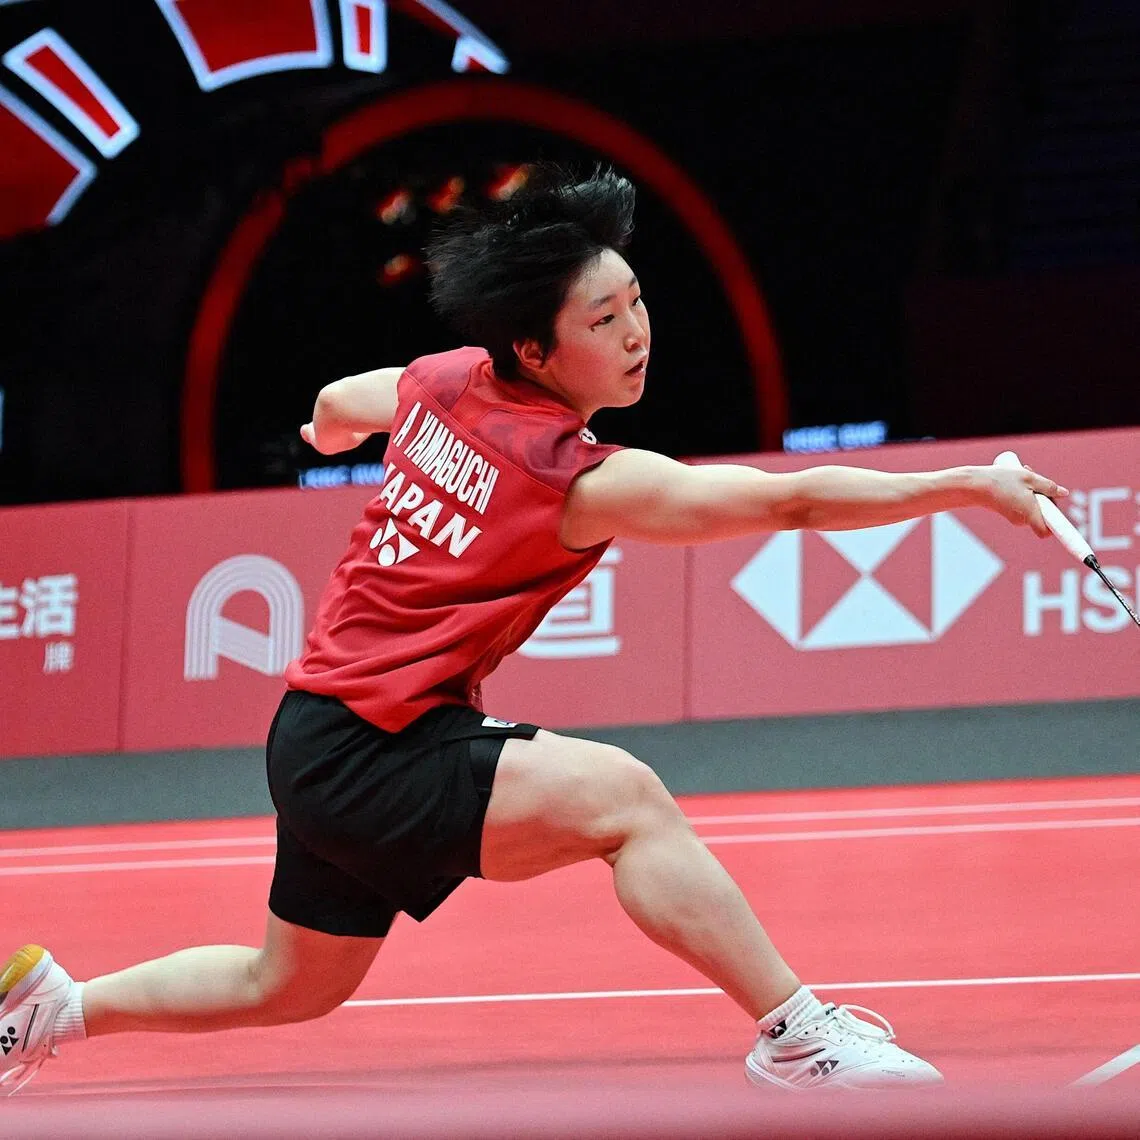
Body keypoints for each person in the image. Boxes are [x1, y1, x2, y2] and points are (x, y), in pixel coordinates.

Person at [1, 165, 1066, 1095]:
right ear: (536, 348)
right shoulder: (575, 481)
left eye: (637, 301)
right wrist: (974, 483)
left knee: (285, 984)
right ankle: (798, 1037)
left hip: (314, 735)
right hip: (378, 742)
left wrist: (325, 423)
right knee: (628, 801)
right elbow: (788, 502)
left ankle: (51, 1008)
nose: (637, 331)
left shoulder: (448, 382)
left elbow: (344, 398)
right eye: (602, 322)